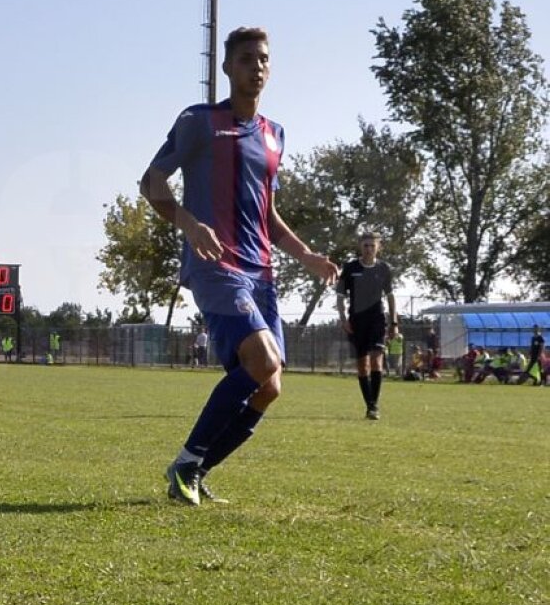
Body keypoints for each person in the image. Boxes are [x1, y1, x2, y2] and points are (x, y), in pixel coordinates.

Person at [140, 26, 338, 506]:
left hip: (261, 272)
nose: (257, 66)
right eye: (247, 59)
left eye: (264, 59)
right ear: (228, 67)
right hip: (215, 265)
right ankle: (186, 462)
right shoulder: (199, 121)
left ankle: (194, 470)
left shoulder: (275, 135)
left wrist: (306, 254)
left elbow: (267, 212)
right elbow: (151, 182)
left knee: (270, 387)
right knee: (262, 361)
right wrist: (190, 225)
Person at [335, 232, 396, 420]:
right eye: (365, 245)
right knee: (363, 365)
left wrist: (394, 322)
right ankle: (369, 404)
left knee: (377, 360)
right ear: (360, 247)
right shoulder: (350, 268)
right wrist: (343, 319)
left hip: (377, 319)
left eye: (372, 245)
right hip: (357, 320)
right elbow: (340, 296)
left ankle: (373, 406)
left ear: (378, 247)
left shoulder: (384, 268)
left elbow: (390, 297)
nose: (369, 249)